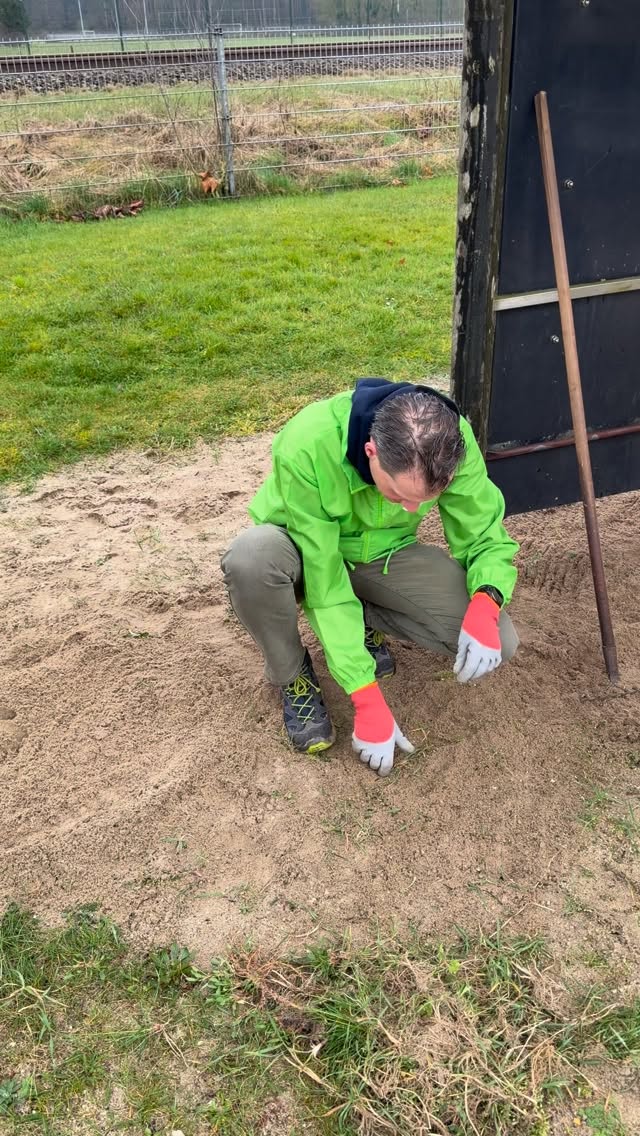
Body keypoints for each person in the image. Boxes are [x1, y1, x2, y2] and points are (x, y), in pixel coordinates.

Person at [222, 378, 519, 776]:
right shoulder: (308, 443)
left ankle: (365, 616)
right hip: (298, 551)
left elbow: (484, 534)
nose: (413, 510)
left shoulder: (450, 440)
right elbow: (323, 579)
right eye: (399, 495)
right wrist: (366, 698)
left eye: (425, 500)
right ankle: (293, 674)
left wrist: (486, 602)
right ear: (371, 452)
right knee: (250, 559)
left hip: (381, 554)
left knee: (501, 639)